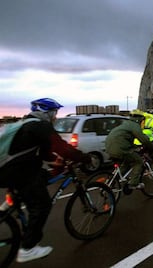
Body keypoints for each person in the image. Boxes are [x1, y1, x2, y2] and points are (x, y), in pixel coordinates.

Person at [0, 98, 92, 263]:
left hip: (12, 170)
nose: (55, 117)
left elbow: (41, 150)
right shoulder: (40, 126)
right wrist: (85, 158)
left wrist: (53, 160)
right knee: (42, 205)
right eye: (54, 113)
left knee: (41, 176)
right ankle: (28, 249)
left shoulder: (26, 124)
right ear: (46, 112)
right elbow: (62, 147)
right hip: (16, 172)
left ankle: (12, 201)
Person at [105, 110, 153, 189]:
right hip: (120, 148)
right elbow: (144, 140)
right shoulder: (135, 126)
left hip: (109, 146)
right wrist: (152, 148)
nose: (143, 122)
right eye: (143, 120)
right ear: (139, 119)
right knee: (139, 161)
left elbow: (126, 140)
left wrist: (135, 147)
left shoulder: (126, 124)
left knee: (128, 162)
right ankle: (133, 183)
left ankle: (112, 181)